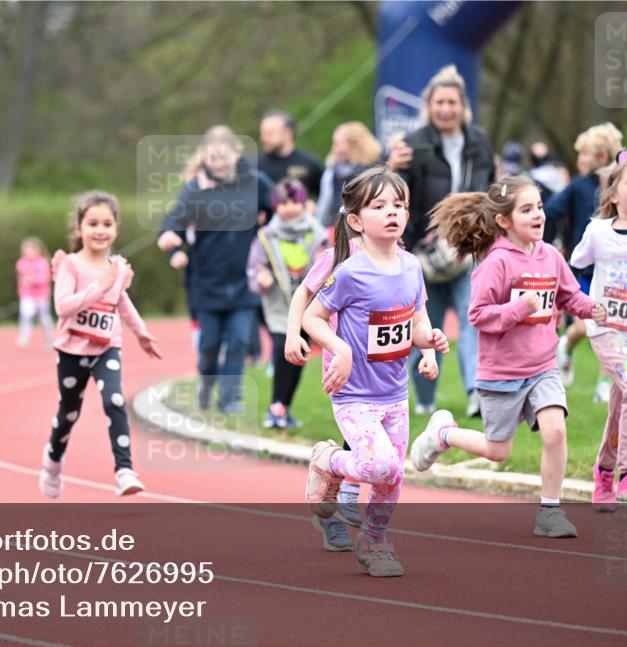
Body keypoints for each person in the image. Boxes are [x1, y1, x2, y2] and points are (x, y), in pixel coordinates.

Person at [410, 176, 606, 537]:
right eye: (527, 209)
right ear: (504, 220)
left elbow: (566, 296)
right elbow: (478, 316)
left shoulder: (549, 255)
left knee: (555, 431)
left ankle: (550, 512)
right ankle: (443, 435)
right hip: (502, 371)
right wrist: (517, 308)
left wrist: (592, 308)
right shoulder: (496, 262)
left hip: (543, 366)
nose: (538, 215)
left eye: (540, 208)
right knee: (498, 450)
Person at [301, 166, 449, 577]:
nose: (392, 212)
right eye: (379, 205)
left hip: (394, 394)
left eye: (399, 205)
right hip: (353, 395)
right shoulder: (349, 271)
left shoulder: (412, 266)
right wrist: (339, 347)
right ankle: (327, 459)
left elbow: (416, 321)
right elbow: (313, 317)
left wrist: (429, 344)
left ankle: (375, 539)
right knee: (380, 466)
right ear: (355, 221)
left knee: (391, 476)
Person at [387, 64, 496, 418]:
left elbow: (490, 187)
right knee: (425, 327)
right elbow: (391, 190)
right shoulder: (414, 143)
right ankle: (423, 400)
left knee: (472, 321)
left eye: (452, 102)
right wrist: (389, 164)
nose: (446, 109)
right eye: (439, 102)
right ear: (429, 106)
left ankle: (476, 395)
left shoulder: (479, 141)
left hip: (469, 247)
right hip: (425, 252)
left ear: (463, 105)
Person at [41, 191, 162, 498]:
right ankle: (53, 460)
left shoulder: (118, 268)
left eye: (107, 223)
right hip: (72, 349)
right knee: (69, 412)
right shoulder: (70, 265)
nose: (100, 230)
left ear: (116, 229)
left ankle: (124, 471)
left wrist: (142, 333)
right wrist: (100, 286)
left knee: (116, 401)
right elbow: (63, 307)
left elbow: (123, 303)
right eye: (92, 223)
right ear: (79, 228)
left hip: (108, 346)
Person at [570, 151, 627, 508]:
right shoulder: (597, 232)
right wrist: (580, 304)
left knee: (623, 404)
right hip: (606, 329)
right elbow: (573, 270)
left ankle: (604, 473)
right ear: (613, 194)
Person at [158, 126, 271, 413]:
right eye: (212, 158)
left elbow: (281, 206)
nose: (217, 163)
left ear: (236, 153)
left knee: (238, 343)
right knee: (208, 346)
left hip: (245, 280)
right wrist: (173, 246)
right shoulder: (195, 188)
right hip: (206, 281)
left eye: (223, 157)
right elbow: (174, 223)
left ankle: (230, 399)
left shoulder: (255, 183)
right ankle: (207, 383)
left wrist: (269, 227)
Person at [545, 123, 624, 399]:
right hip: (580, 270)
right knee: (583, 326)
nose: (579, 160)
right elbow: (551, 211)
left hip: (613, 269)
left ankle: (604, 386)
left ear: (602, 158)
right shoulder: (577, 187)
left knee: (613, 329)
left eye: (584, 155)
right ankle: (566, 344)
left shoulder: (620, 188)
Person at [247, 178, 327, 429]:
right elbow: (254, 266)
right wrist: (262, 277)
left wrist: (322, 261)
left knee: (300, 354)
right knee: (284, 347)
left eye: (294, 202)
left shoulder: (316, 232)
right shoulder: (266, 236)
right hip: (279, 306)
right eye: (283, 203)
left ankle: (285, 407)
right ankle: (276, 407)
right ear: (275, 207)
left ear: (304, 204)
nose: (289, 207)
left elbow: (328, 260)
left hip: (308, 305)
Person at [314, 121, 383, 228]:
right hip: (338, 228)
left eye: (339, 144)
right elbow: (324, 206)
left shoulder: (377, 171)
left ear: (355, 144)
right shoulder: (332, 171)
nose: (336, 149)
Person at [258, 111, 324, 205]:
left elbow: (327, 198)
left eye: (269, 133)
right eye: (263, 133)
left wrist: (314, 205)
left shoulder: (310, 163)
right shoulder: (255, 165)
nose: (263, 139)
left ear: (288, 133)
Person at [16, 236, 54, 349]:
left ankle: (48, 339)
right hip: (27, 295)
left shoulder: (42, 263)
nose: (28, 252)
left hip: (41, 296)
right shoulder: (21, 263)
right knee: (25, 315)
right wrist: (21, 290)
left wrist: (33, 281)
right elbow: (20, 279)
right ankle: (24, 337)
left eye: (30, 249)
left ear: (37, 250)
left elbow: (45, 279)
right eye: (26, 250)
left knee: (44, 318)